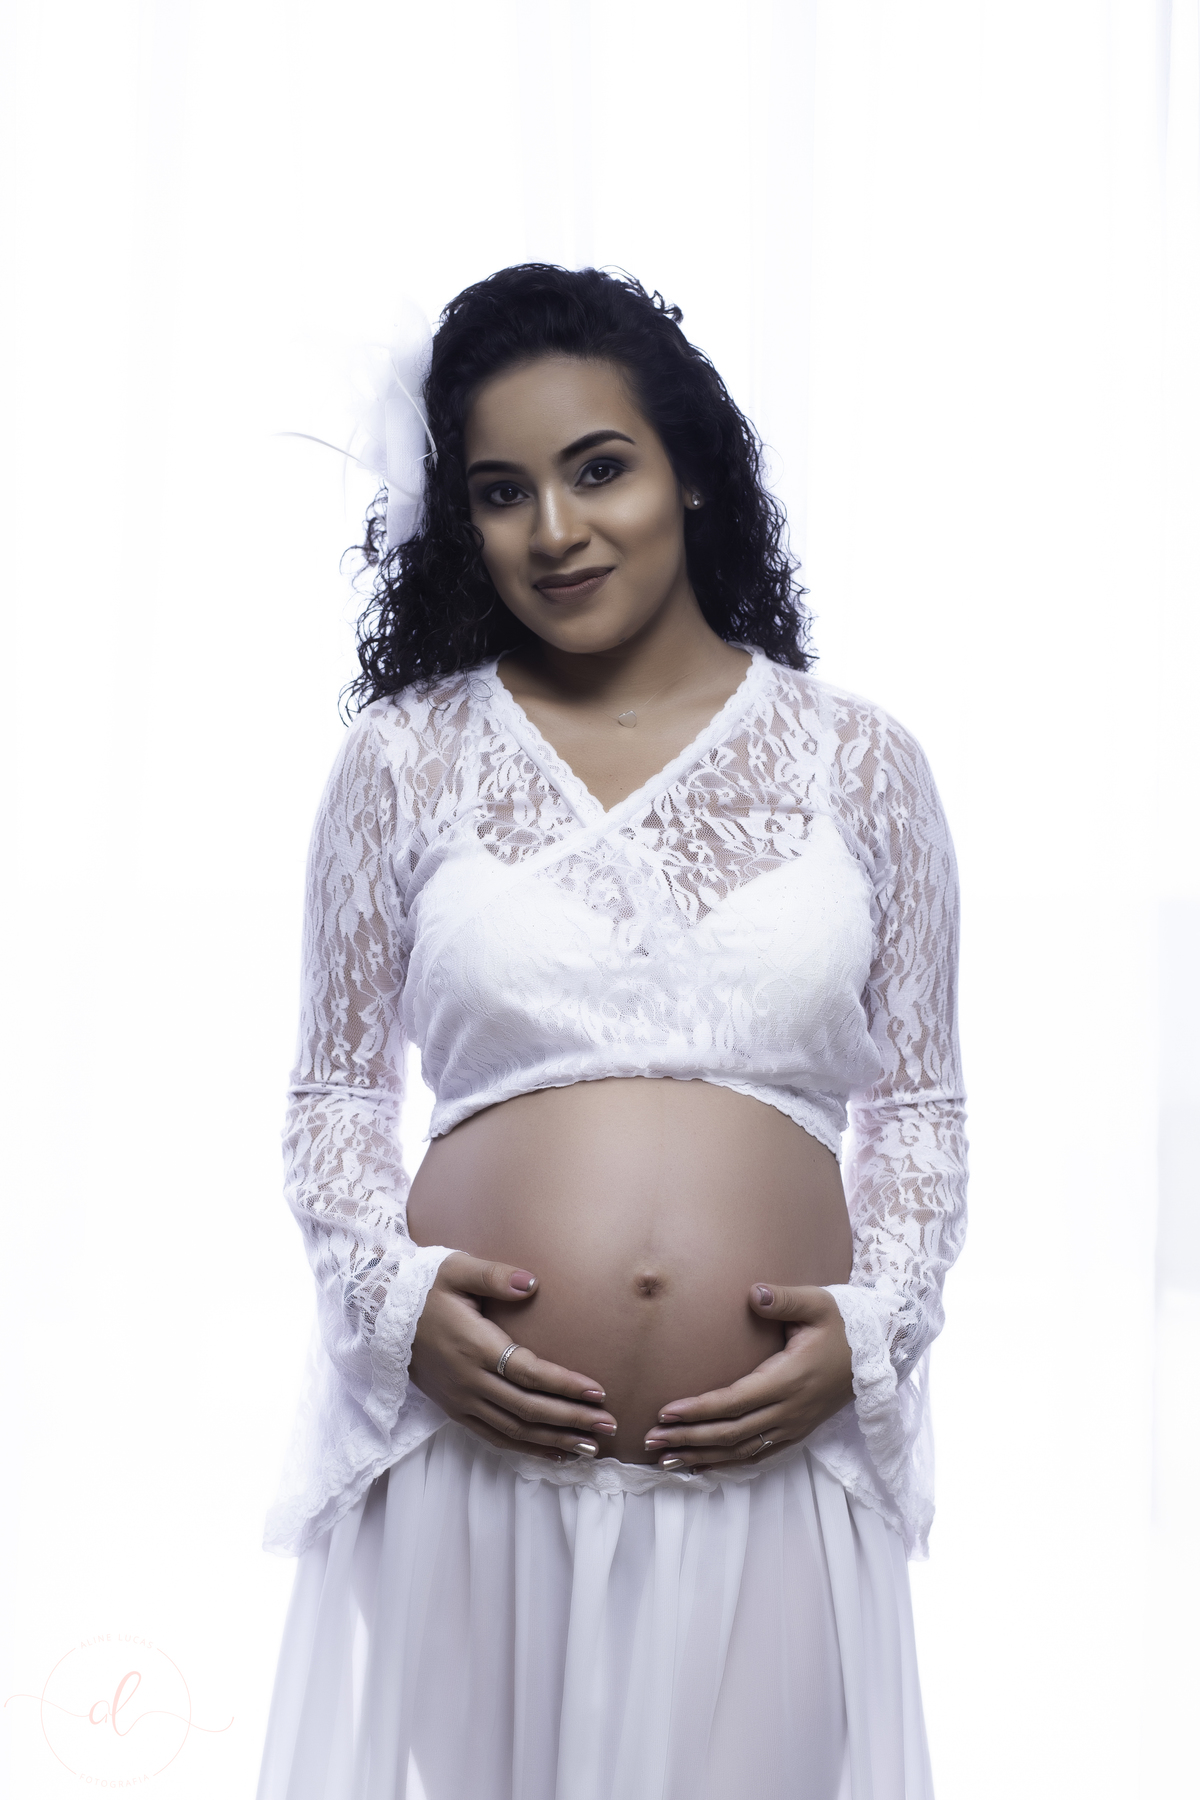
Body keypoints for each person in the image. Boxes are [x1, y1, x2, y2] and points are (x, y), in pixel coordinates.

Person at [255, 265, 968, 1800]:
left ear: (690, 471)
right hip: (475, 1468)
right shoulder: (403, 762)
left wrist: (875, 1332)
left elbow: (919, 1112)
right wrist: (391, 1306)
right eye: (500, 492)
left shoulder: (863, 767)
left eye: (598, 469)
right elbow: (332, 1098)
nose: (554, 531)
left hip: (771, 1473)